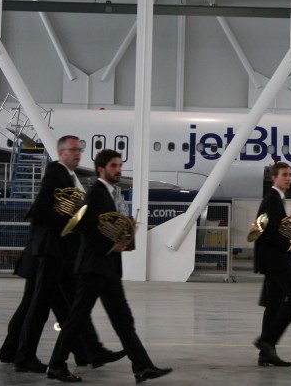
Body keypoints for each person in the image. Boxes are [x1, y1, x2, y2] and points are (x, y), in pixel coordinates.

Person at [46, 150, 172, 383]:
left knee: (123, 320)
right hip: (94, 267)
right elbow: (85, 226)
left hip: (107, 268)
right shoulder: (95, 193)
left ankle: (142, 367)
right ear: (101, 169)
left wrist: (126, 229)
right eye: (113, 166)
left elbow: (106, 225)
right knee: (76, 319)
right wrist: (109, 246)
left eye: (119, 165)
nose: (118, 169)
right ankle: (56, 365)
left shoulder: (111, 193)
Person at [12, 136, 124, 373]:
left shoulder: (68, 176)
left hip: (59, 252)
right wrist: (67, 224)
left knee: (68, 306)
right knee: (40, 307)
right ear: (61, 153)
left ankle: (88, 352)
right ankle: (25, 357)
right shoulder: (56, 172)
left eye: (79, 150)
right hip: (52, 250)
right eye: (72, 150)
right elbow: (41, 209)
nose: (77, 154)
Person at [253, 162, 291, 367]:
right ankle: (266, 341)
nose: (289, 178)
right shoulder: (272, 200)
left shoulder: (275, 200)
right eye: (284, 175)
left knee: (274, 303)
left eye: (290, 175)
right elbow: (268, 232)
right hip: (275, 260)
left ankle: (266, 354)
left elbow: (275, 228)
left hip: (271, 259)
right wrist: (288, 246)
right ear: (273, 178)